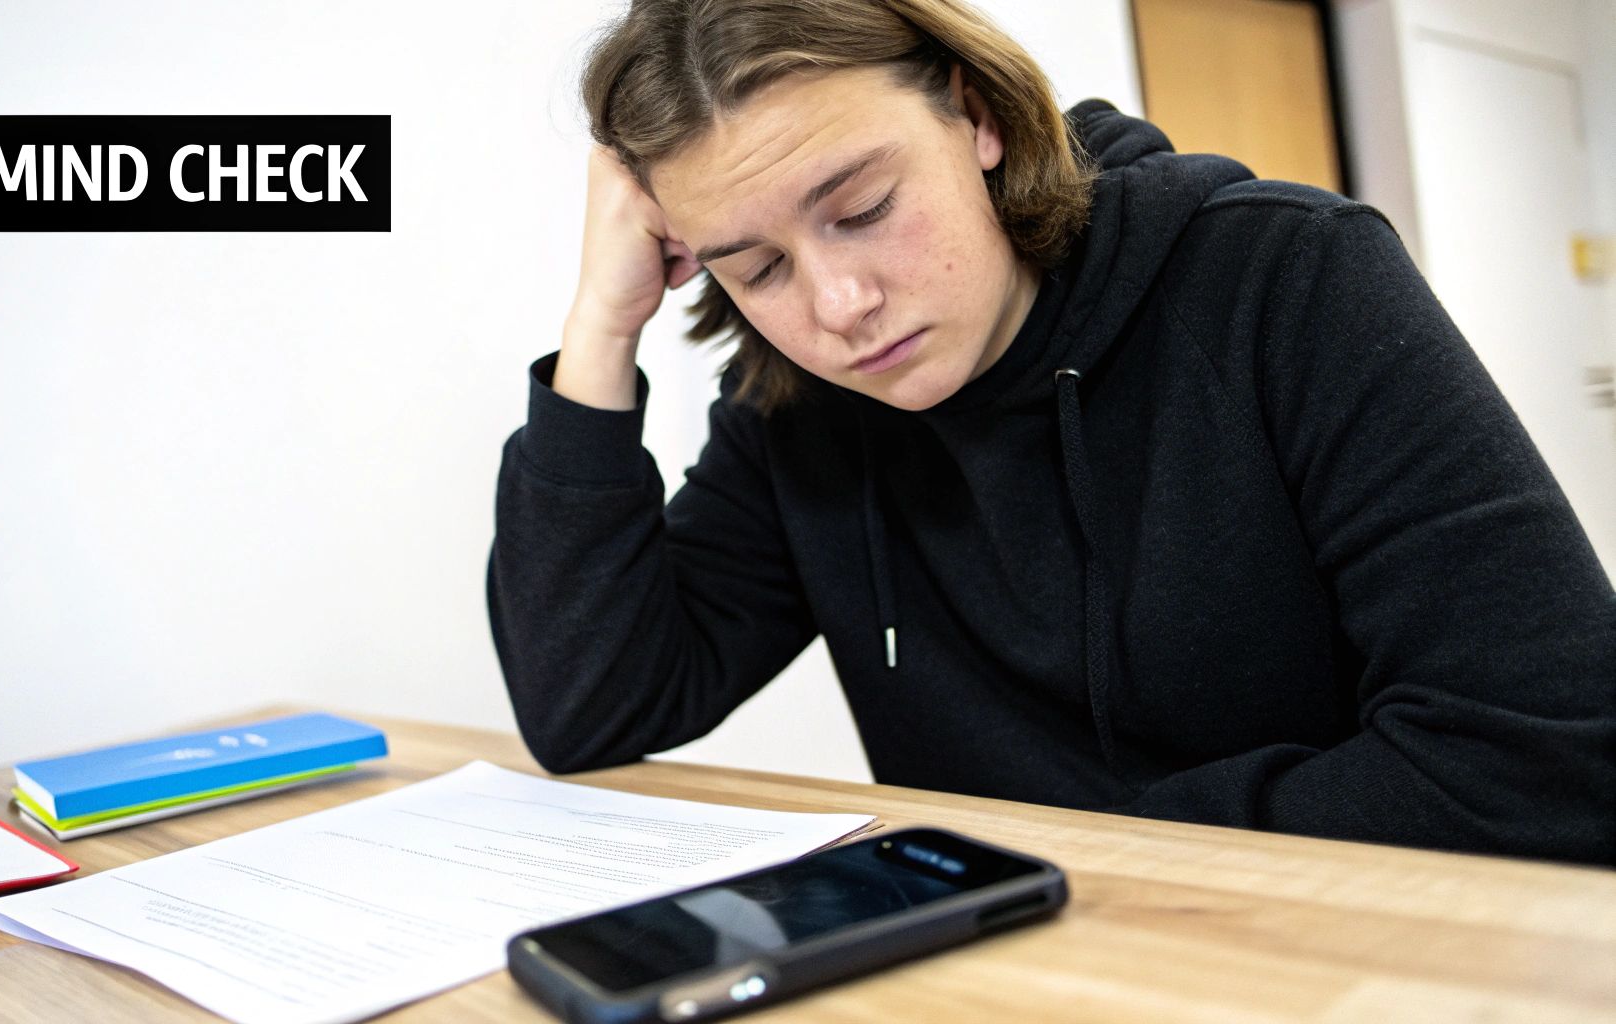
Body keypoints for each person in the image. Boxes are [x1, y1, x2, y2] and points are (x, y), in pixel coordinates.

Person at [486, 0, 1616, 864]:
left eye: (863, 209)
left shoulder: (1281, 278)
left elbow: (1547, 752)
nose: (836, 308)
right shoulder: (796, 401)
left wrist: (1047, 857)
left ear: (972, 113)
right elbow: (594, 708)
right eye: (758, 267)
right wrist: (601, 324)